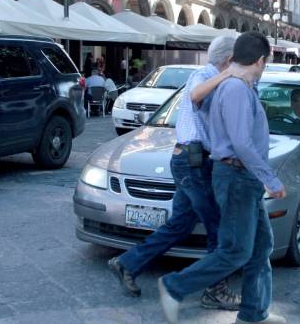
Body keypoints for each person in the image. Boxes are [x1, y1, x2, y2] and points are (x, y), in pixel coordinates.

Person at [158, 32, 287, 324]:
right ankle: (174, 286)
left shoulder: (237, 85)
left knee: (260, 247)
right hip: (238, 176)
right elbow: (241, 142)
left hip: (242, 178)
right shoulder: (237, 89)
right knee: (236, 251)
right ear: (260, 60)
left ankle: (254, 313)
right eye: (265, 63)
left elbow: (199, 100)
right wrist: (271, 179)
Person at [108, 36, 241, 311]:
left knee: (180, 224)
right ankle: (215, 289)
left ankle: (127, 263)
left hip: (192, 162)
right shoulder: (203, 75)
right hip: (193, 163)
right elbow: (195, 95)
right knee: (217, 224)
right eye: (237, 60)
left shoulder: (216, 79)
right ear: (228, 60)